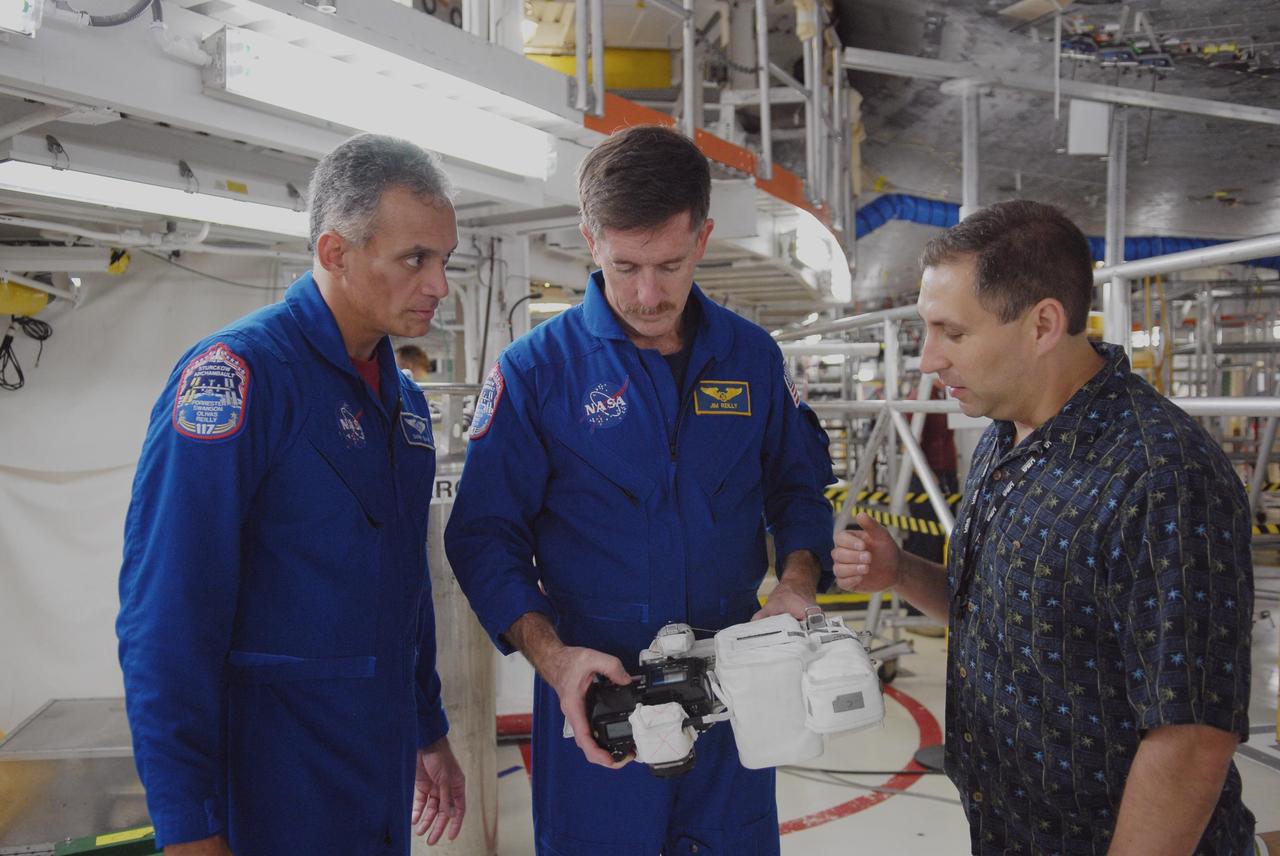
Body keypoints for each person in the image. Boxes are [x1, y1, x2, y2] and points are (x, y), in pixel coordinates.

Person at [444, 124, 836, 856]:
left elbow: (798, 489)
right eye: (625, 266)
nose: (648, 294)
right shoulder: (536, 373)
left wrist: (797, 583)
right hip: (600, 695)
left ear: (704, 237)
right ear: (589, 239)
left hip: (735, 689)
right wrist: (556, 660)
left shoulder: (752, 359)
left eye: (670, 264)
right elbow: (482, 535)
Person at [833, 200, 1256, 855]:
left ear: (1043, 324)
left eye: (953, 333)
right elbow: (1005, 615)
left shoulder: (1160, 477)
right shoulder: (1007, 439)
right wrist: (902, 574)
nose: (927, 360)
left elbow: (1193, 733)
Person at [117, 134, 466, 856]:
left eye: (443, 260)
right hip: (274, 787)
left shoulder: (402, 405)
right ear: (336, 252)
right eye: (415, 259)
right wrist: (187, 824)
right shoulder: (239, 378)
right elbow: (166, 617)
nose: (439, 284)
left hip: (374, 776)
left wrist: (427, 727)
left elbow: (404, 586)